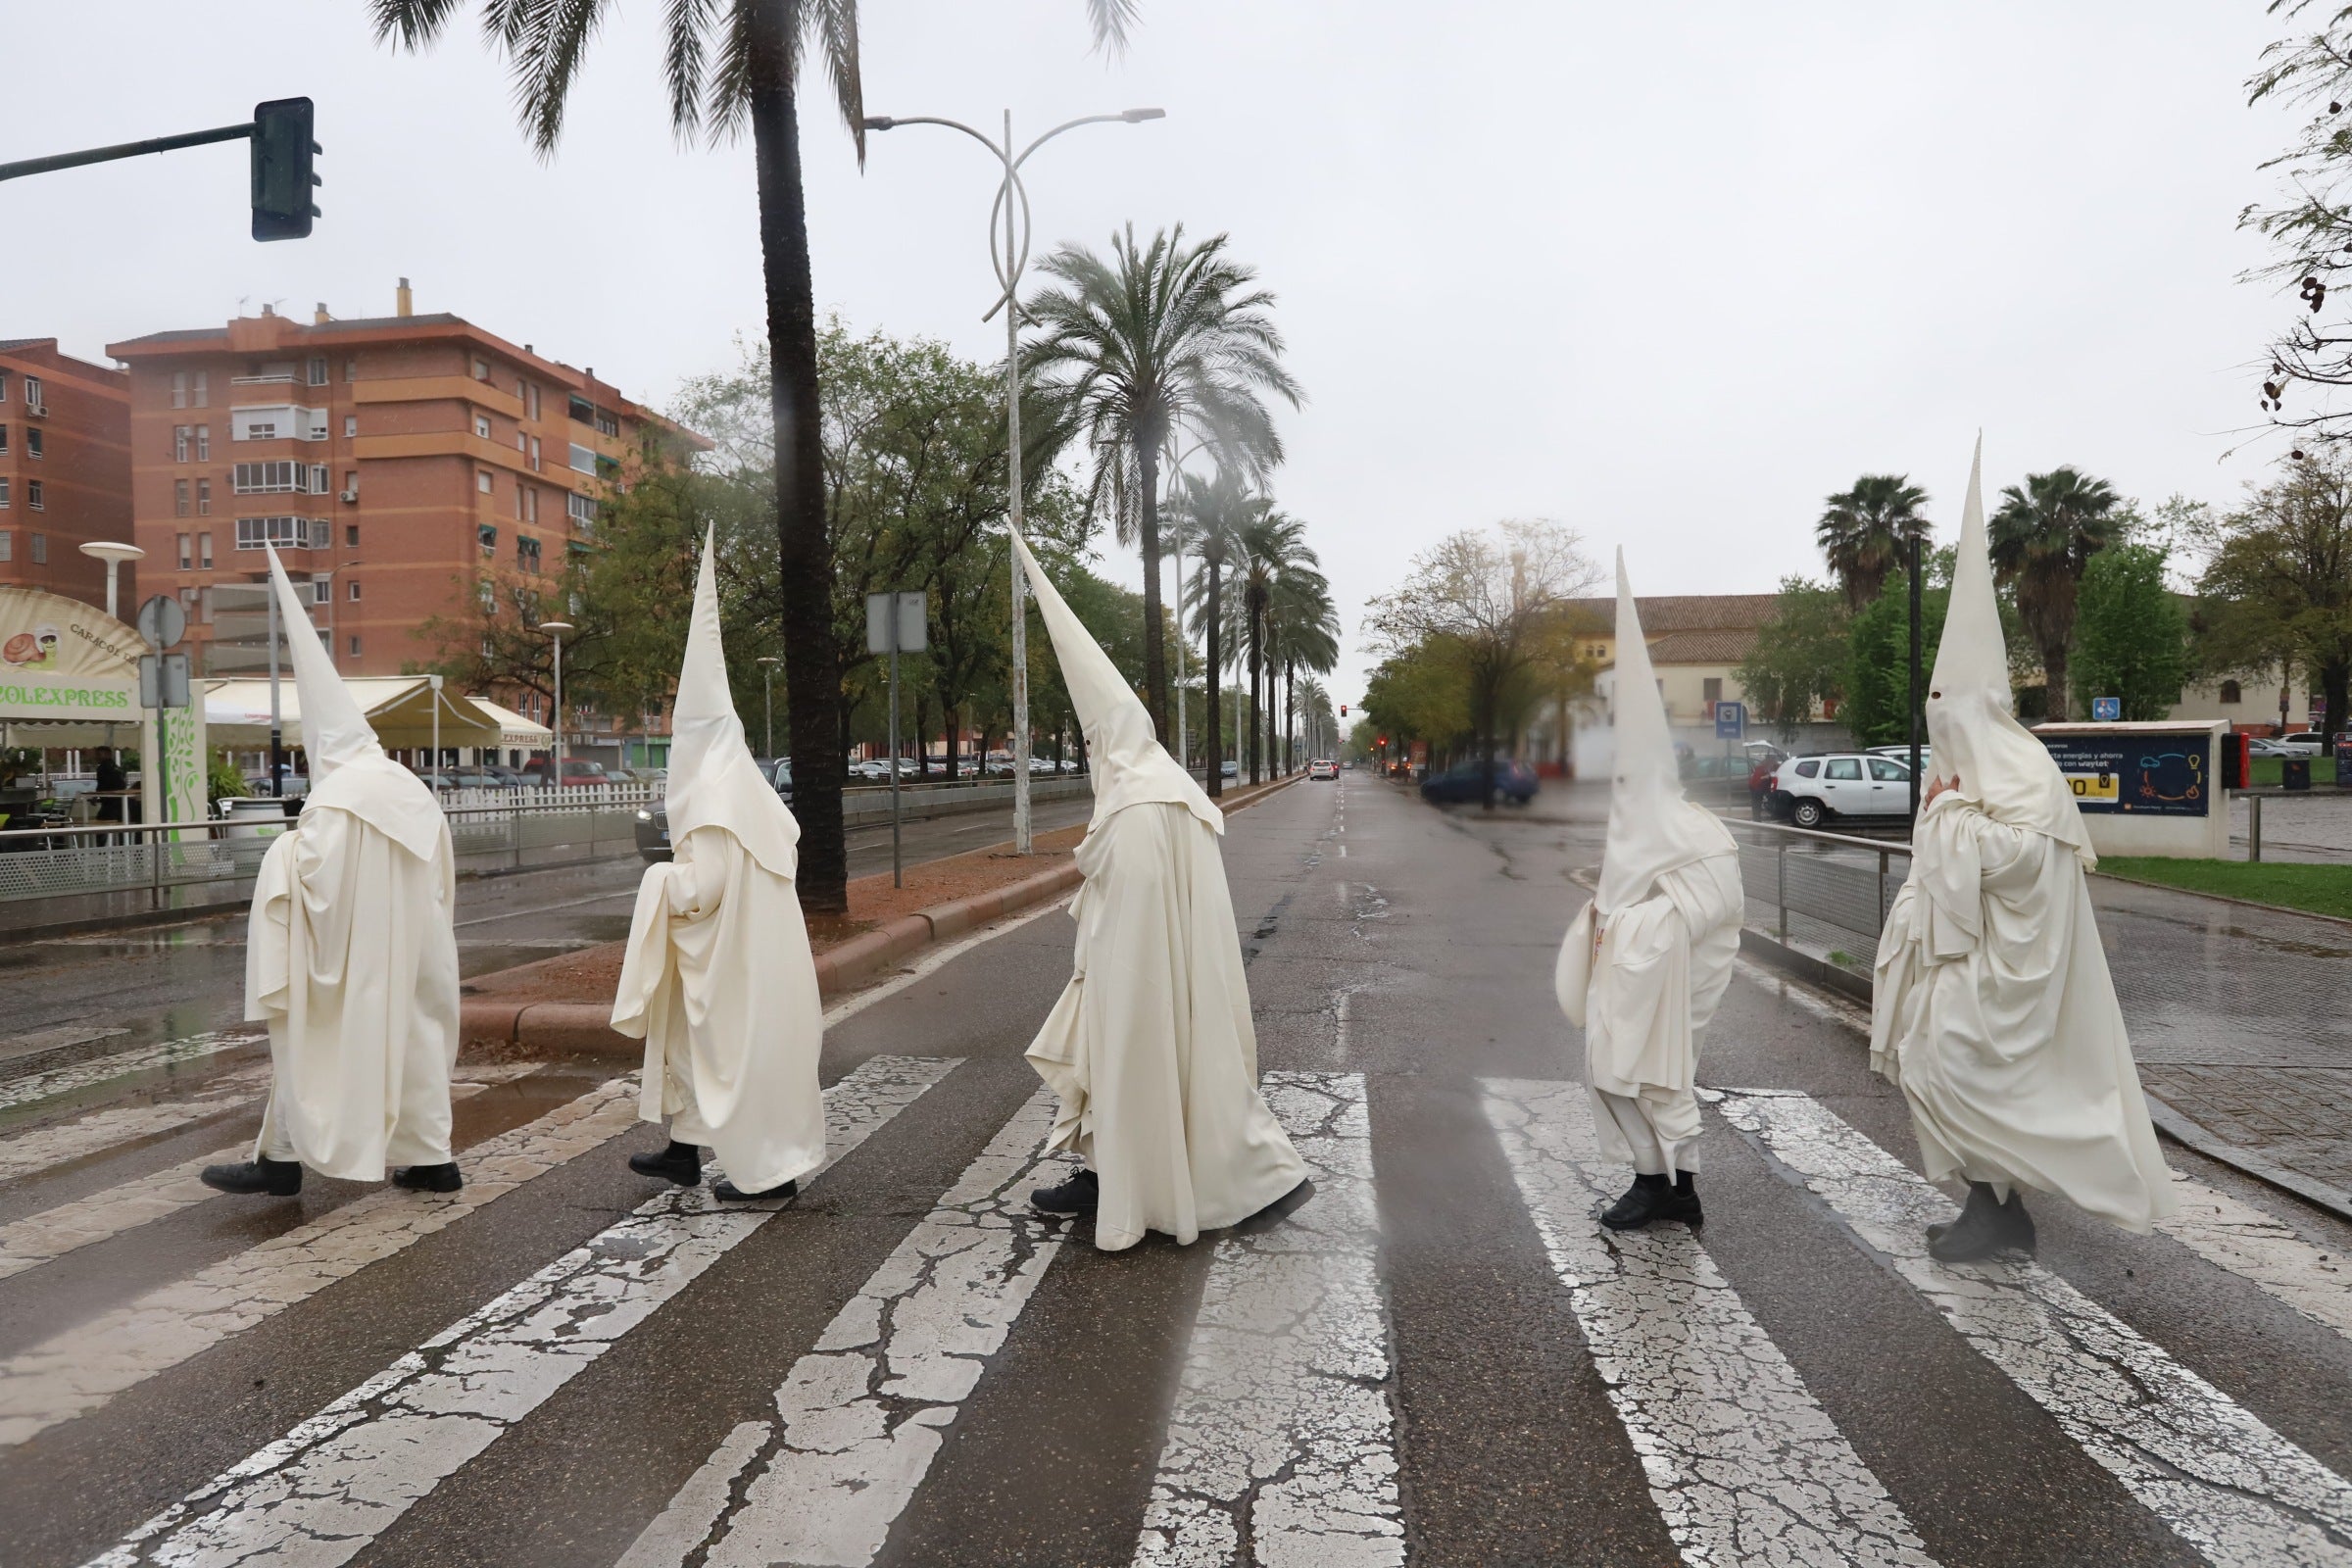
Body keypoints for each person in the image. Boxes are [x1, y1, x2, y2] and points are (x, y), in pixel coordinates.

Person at [1871, 440, 2175, 1261]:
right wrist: (1949, 814)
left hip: (2007, 967)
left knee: (1968, 1069)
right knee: (1935, 1066)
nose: (1938, 725)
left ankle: (2003, 1204)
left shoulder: (2023, 768)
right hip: (1965, 956)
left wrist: (1946, 817)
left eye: (1946, 708)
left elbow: (2020, 860)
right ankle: (1991, 1204)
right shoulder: (1970, 770)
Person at [1010, 530, 1308, 1250]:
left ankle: (1151, 1188)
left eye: (1088, 745)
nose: (1088, 759)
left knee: (1137, 1067)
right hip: (1163, 968)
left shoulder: (1138, 803)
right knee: (1155, 1071)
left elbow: (1133, 911)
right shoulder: (1169, 786)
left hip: (1138, 975)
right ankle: (1105, 1171)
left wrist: (1107, 977)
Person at [203, 547, 463, 1199]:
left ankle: (282, 1161)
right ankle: (432, 1159)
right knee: (417, 1044)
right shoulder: (410, 788)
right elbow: (442, 879)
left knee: (309, 1046)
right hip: (419, 948)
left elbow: (312, 880)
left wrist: (282, 852)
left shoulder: (336, 798)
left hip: (349, 958)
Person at [611, 525, 824, 1202]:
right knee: (698, 1045)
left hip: (735, 962)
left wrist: (656, 881)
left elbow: (702, 890)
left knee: (732, 1053)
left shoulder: (709, 791)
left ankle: (768, 1175)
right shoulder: (746, 785)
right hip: (760, 954)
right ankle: (682, 1150)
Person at [1555, 553, 1744, 1230]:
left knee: (1662, 1079)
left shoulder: (1696, 830)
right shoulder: (1634, 823)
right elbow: (1620, 889)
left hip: (1670, 979)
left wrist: (1630, 927)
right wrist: (1604, 920)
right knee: (1611, 1073)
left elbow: (1713, 909)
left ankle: (1674, 1188)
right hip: (1632, 973)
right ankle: (1654, 1179)